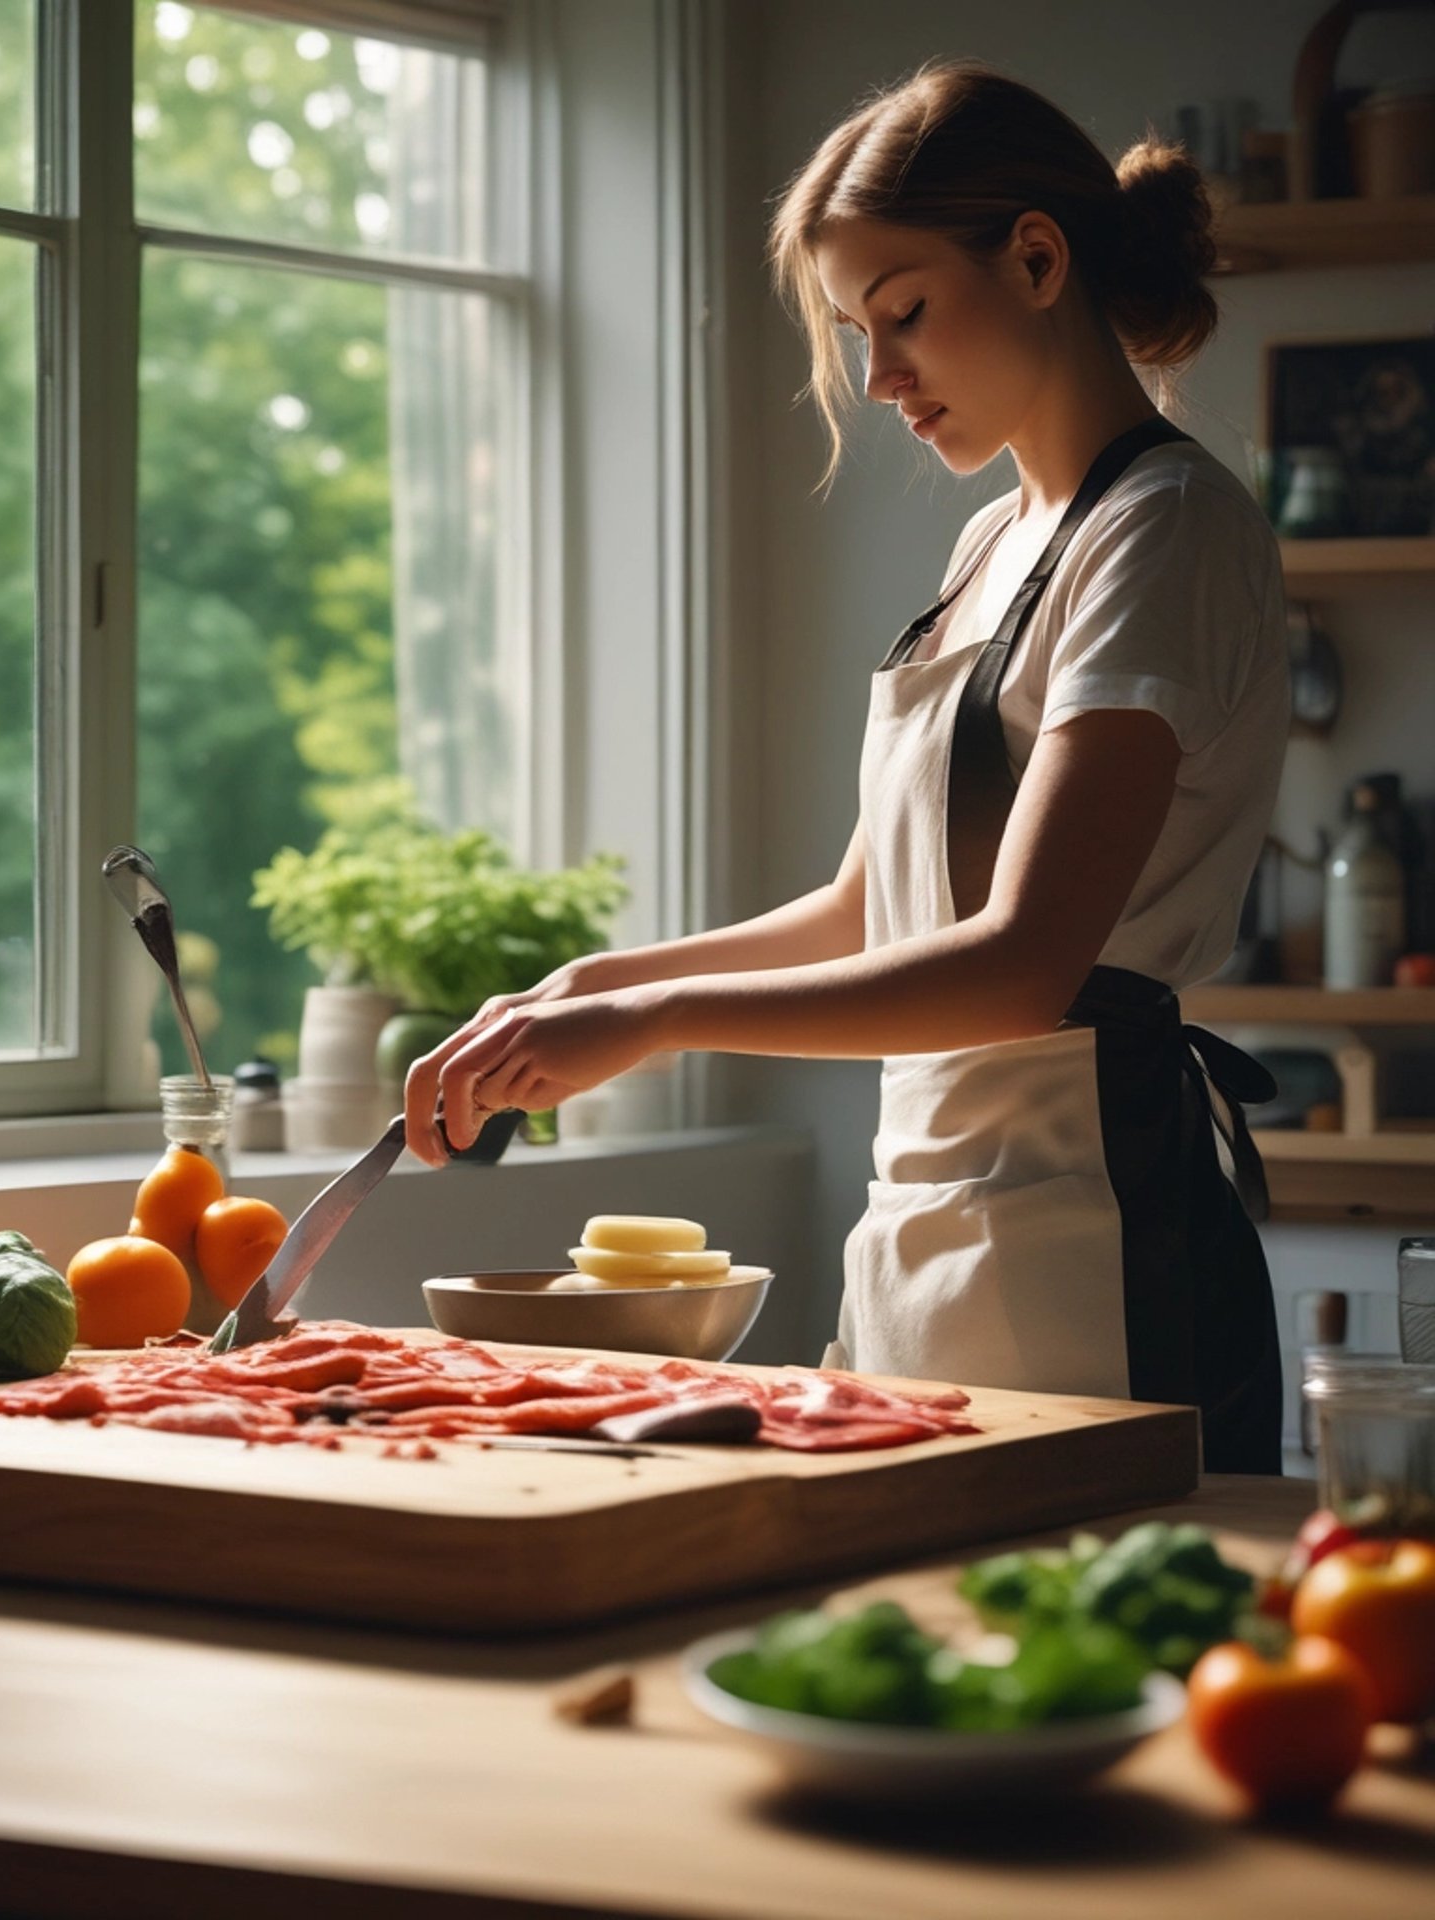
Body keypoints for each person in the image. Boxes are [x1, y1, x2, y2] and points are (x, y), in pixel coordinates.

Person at [401, 62, 1289, 1473]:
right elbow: (868, 908)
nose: (879, 379)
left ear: (1039, 258)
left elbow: (1020, 966)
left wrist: (661, 1023)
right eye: (855, 330)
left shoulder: (1168, 529)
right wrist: (591, 987)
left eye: (906, 313)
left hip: (1098, 1239)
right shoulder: (989, 548)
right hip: (924, 1224)